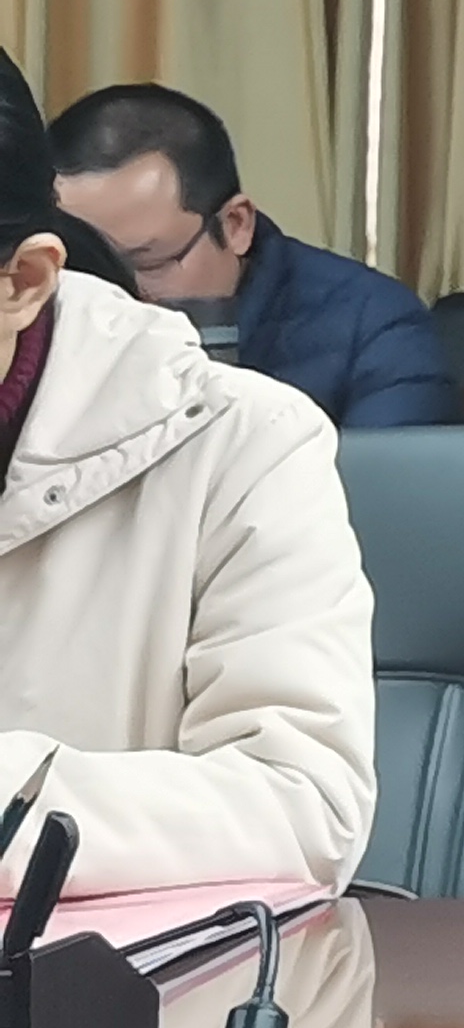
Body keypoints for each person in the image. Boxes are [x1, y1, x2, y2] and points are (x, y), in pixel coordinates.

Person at [0, 44, 376, 893]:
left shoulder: (244, 444)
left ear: (24, 280)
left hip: (94, 974)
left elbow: (303, 806)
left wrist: (14, 805)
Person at [48, 81, 455, 429]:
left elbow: (385, 486)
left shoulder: (370, 327)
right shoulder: (35, 308)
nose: (114, 295)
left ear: (235, 225)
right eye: (84, 266)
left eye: (146, 262)